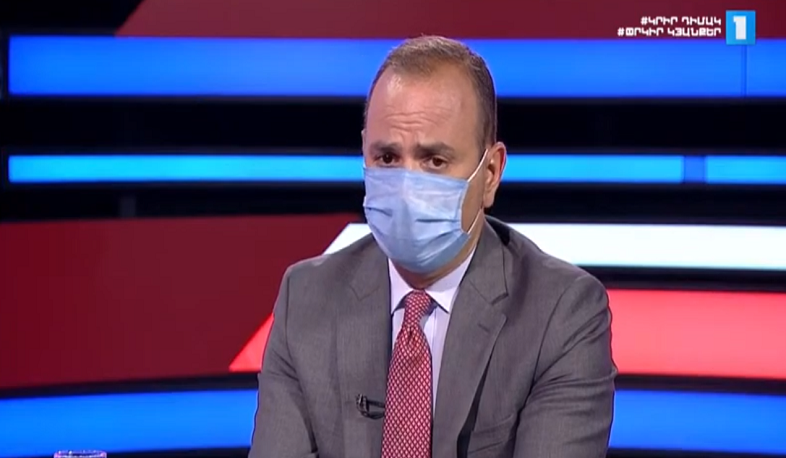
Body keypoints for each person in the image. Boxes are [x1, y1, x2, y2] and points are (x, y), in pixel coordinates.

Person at [249, 36, 616, 458]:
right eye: (387, 158)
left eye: (434, 161)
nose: (406, 187)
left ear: (490, 173)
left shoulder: (561, 314)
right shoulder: (307, 298)